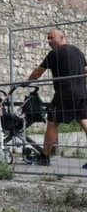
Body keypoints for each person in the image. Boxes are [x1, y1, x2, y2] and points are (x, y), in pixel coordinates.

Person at [28, 28, 87, 167]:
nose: (49, 41)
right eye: (48, 38)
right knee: (84, 122)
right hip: (81, 93)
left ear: (61, 37)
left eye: (51, 38)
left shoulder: (55, 53)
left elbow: (38, 72)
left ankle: (44, 157)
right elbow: (85, 70)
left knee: (53, 122)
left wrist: (26, 83)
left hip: (64, 93)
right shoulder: (78, 52)